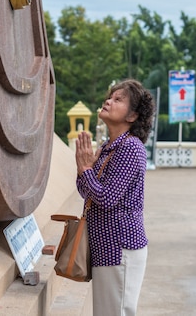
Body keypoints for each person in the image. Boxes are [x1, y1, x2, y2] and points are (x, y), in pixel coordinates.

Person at [75, 79, 154, 316]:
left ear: (132, 116)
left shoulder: (131, 148)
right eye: (110, 97)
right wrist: (85, 168)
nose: (108, 101)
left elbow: (106, 197)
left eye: (118, 99)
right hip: (105, 249)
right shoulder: (110, 148)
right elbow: (86, 191)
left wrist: (86, 170)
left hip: (121, 249)